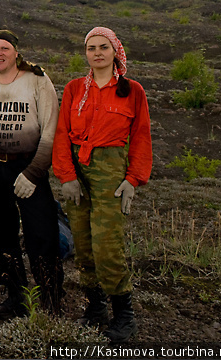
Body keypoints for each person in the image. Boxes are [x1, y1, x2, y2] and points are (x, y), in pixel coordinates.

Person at [52, 26, 152, 344]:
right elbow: (61, 133)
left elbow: (141, 138)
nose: (97, 53)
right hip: (78, 168)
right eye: (91, 48)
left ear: (114, 52)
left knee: (107, 245)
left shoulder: (132, 91)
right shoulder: (73, 89)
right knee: (82, 242)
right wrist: (66, 176)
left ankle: (124, 315)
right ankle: (95, 309)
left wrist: (133, 179)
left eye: (103, 47)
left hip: (111, 170)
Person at [0, 30, 63, 320]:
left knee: (41, 234)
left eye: (4, 48)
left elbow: (50, 133)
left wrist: (33, 173)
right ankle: (15, 296)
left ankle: (51, 300)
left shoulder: (38, 83)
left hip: (28, 165)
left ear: (16, 52)